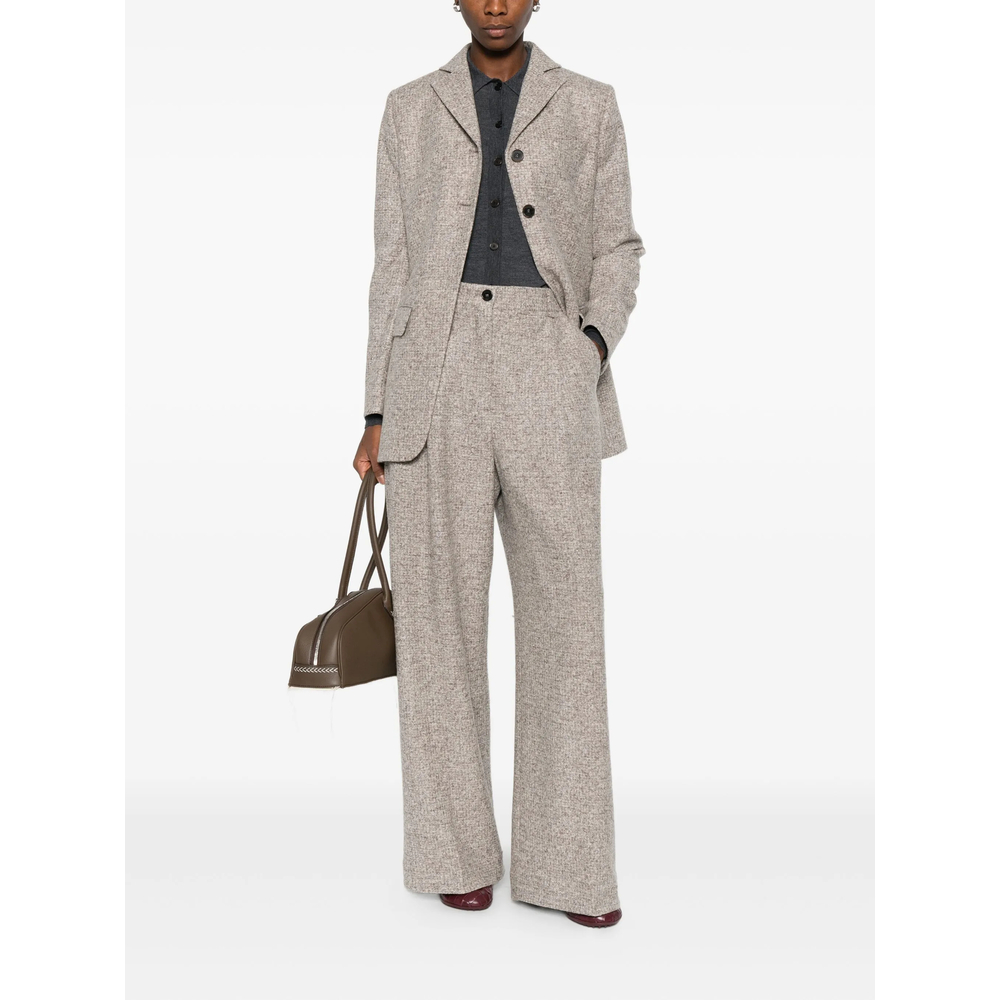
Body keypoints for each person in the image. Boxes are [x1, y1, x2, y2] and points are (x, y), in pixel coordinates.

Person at [353, 0, 644, 928]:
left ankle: (570, 866)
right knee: (436, 626)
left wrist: (587, 346)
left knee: (568, 624)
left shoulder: (590, 104)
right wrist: (376, 409)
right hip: (431, 372)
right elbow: (391, 268)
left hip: (546, 362)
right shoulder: (408, 108)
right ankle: (455, 853)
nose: (495, 4)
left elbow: (618, 246)